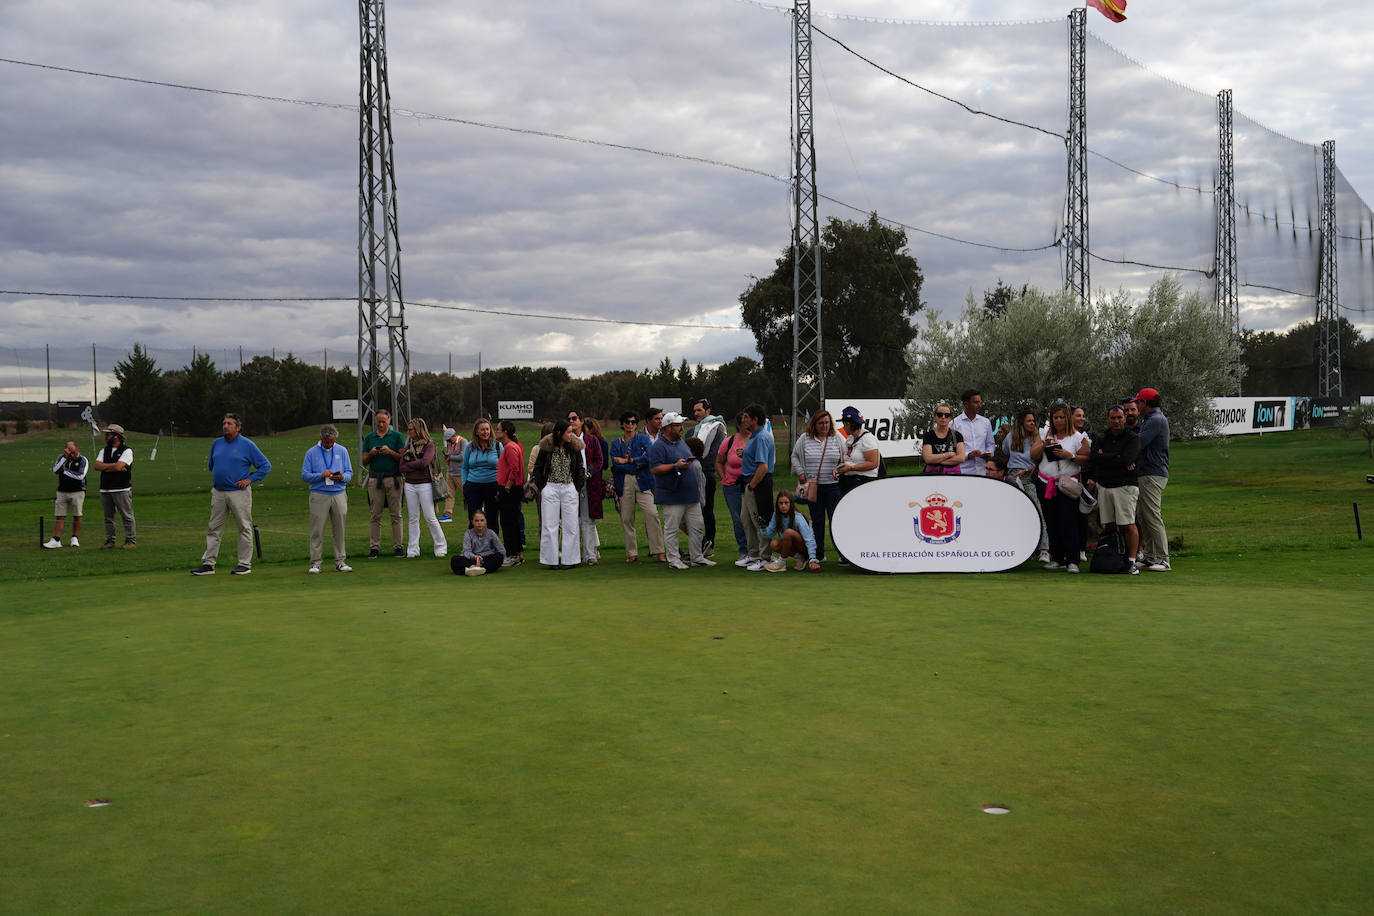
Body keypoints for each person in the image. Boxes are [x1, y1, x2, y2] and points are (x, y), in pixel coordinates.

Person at [190, 413, 271, 576]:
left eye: (229, 423)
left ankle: (244, 564)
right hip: (219, 492)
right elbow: (212, 465)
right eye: (224, 423)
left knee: (244, 526)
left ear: (238, 427)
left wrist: (250, 479)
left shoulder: (247, 445)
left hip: (239, 493)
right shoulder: (217, 443)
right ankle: (208, 564)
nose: (225, 426)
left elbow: (265, 466)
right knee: (214, 528)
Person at [647, 412, 713, 569]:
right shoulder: (659, 445)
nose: (682, 428)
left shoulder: (681, 443)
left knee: (697, 526)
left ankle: (697, 557)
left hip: (690, 494)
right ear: (668, 427)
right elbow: (655, 468)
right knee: (672, 529)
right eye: (678, 425)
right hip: (672, 495)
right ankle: (674, 560)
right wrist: (675, 466)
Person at [1032, 401, 1090, 573]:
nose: (1058, 421)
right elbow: (1033, 454)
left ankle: (1072, 560)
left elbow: (1087, 460)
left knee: (1068, 520)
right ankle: (1057, 557)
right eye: (1055, 417)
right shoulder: (1043, 434)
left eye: (1062, 417)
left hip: (1067, 485)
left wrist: (1069, 456)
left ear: (1068, 419)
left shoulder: (1079, 438)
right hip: (1045, 483)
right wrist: (1044, 445)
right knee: (1052, 522)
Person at [1085, 405, 1141, 576]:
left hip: (1125, 486)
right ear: (1108, 419)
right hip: (1105, 485)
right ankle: (1116, 558)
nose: (1116, 421)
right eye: (1113, 418)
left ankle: (1131, 561)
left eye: (1119, 418)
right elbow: (1094, 457)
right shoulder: (1102, 438)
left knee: (1127, 524)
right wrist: (1115, 457)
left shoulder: (1133, 438)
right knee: (1108, 525)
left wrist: (1107, 457)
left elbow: (1127, 459)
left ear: (1125, 418)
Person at [609, 410, 665, 563]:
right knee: (627, 518)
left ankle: (658, 551)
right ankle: (631, 553)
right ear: (622, 424)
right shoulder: (616, 443)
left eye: (633, 422)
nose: (630, 425)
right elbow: (615, 464)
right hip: (624, 482)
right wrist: (635, 464)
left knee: (652, 514)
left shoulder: (643, 439)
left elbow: (648, 458)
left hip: (643, 481)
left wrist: (629, 461)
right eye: (627, 422)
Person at [790, 409, 844, 563]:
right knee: (817, 521)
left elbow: (844, 457)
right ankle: (819, 553)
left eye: (827, 422)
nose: (824, 426)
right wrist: (800, 472)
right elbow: (794, 456)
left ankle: (842, 553)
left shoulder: (836, 438)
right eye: (821, 423)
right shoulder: (805, 439)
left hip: (833, 486)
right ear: (814, 424)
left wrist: (839, 469)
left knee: (836, 520)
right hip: (814, 488)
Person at [300, 423, 354, 573]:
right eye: (327, 442)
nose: (330, 444)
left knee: (340, 529)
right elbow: (305, 475)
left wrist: (342, 477)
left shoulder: (342, 450)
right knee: (317, 529)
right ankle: (316, 563)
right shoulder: (311, 452)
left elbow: (350, 472)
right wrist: (320, 475)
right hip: (319, 494)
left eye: (332, 441)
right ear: (321, 438)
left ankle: (340, 561)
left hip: (339, 493)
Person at [1000, 408, 1051, 563]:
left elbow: (1039, 459)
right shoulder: (1010, 437)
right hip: (1012, 476)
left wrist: (1027, 470)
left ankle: (1044, 549)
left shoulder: (1037, 438)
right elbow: (1006, 455)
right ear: (1022, 422)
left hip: (1029, 476)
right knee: (1013, 513)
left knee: (1037, 510)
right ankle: (1017, 547)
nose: (1032, 423)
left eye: (1033, 421)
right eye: (1029, 420)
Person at [532, 418, 585, 569]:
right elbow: (538, 467)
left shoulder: (574, 447)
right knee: (549, 525)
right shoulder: (546, 448)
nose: (572, 434)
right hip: (550, 488)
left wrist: (578, 485)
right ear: (560, 433)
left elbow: (580, 467)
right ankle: (551, 561)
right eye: (569, 432)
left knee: (571, 526)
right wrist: (542, 486)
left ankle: (571, 560)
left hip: (569, 488)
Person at [1134, 387, 1172, 571]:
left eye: (1138, 402)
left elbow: (1139, 443)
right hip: (1147, 471)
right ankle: (1150, 556)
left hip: (1152, 473)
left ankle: (1164, 559)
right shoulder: (1151, 419)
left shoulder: (1155, 420)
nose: (1136, 405)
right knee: (1143, 515)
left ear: (1145, 403)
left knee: (1152, 515)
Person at [399, 418, 448, 558]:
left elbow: (425, 462)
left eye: (411, 429)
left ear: (418, 430)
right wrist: (416, 464)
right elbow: (401, 466)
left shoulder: (429, 445)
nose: (409, 432)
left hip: (425, 484)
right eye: (408, 429)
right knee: (413, 518)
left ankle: (440, 547)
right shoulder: (409, 446)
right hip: (409, 484)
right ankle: (413, 549)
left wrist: (411, 465)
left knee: (430, 517)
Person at [362, 409, 406, 558]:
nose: (381, 424)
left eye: (383, 422)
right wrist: (371, 453)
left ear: (389, 421)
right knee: (375, 514)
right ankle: (374, 547)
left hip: (393, 478)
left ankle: (398, 547)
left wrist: (390, 452)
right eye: (378, 422)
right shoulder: (369, 438)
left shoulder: (397, 436)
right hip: (375, 479)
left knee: (396, 514)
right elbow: (364, 461)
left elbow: (403, 458)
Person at [737, 403, 776, 571]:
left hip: (757, 484)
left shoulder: (761, 437)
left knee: (760, 520)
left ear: (755, 419)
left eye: (746, 417)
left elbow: (763, 466)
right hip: (749, 483)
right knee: (747, 520)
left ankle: (765, 557)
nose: (743, 419)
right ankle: (753, 555)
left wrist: (752, 486)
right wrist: (744, 454)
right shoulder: (754, 436)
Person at [689, 398, 727, 554]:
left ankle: (709, 544)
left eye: (699, 410)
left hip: (707, 474)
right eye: (695, 411)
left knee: (707, 510)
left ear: (708, 410)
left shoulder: (718, 428)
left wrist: (697, 465)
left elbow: (715, 454)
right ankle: (698, 544)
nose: (696, 413)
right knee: (690, 511)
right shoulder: (691, 431)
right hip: (690, 475)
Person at [566, 410, 604, 565]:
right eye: (569, 419)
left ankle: (590, 555)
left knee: (588, 521)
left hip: (589, 484)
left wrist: (589, 473)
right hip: (569, 485)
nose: (571, 421)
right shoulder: (565, 441)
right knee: (571, 522)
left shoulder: (591, 440)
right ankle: (573, 556)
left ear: (581, 421)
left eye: (574, 418)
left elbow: (599, 460)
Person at [715, 412, 751, 566]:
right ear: (738, 424)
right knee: (738, 519)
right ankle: (744, 551)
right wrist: (724, 478)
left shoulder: (757, 440)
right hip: (732, 486)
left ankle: (756, 551)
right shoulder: (729, 442)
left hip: (752, 484)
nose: (748, 424)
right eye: (744, 422)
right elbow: (719, 462)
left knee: (753, 518)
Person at [92, 423, 136, 549]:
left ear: (116, 436)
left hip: (121, 488)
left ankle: (130, 541)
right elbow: (97, 466)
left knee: (126, 516)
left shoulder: (127, 450)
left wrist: (108, 467)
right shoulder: (103, 450)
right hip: (105, 488)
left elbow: (118, 466)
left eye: (108, 434)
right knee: (108, 517)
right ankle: (110, 540)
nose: (105, 436)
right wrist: (114, 467)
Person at [760, 490, 821, 573]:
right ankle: (801, 558)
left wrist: (813, 559)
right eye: (780, 503)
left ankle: (782, 563)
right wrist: (762, 526)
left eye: (786, 503)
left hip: (804, 547)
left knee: (788, 532)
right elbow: (769, 535)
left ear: (791, 504)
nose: (783, 506)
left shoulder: (798, 517)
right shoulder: (776, 515)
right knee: (773, 544)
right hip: (793, 546)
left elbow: (809, 539)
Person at [462, 419, 503, 536]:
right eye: (482, 429)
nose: (485, 432)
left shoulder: (497, 446)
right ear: (476, 432)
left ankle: (492, 546)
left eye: (487, 429)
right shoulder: (469, 447)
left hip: (493, 486)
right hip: (473, 486)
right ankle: (473, 545)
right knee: (473, 518)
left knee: (492, 518)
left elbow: (503, 467)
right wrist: (465, 485)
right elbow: (465, 468)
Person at [44, 441, 88, 549]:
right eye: (69, 452)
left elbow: (80, 476)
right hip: (62, 491)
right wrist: (64, 458)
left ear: (76, 449)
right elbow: (55, 470)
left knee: (77, 515)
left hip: (77, 491)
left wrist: (64, 471)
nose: (72, 455)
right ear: (65, 451)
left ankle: (74, 538)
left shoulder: (83, 460)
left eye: (73, 452)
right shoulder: (62, 458)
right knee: (60, 515)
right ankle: (56, 540)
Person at [494, 420, 526, 566]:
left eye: (498, 429)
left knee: (508, 523)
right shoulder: (509, 446)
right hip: (510, 489)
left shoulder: (509, 447)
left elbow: (515, 469)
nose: (496, 432)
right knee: (511, 522)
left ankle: (512, 554)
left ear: (505, 431)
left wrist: (507, 487)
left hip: (510, 489)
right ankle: (516, 554)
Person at [837, 405, 881, 491]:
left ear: (848, 424)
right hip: (850, 481)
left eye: (844, 424)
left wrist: (851, 468)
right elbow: (848, 461)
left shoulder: (867, 438)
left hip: (864, 483)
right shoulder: (850, 439)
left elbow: (873, 463)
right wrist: (839, 468)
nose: (843, 427)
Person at [951, 389, 995, 476]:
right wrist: (968, 455)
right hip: (963, 472)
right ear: (966, 404)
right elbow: (951, 450)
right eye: (976, 402)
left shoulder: (985, 422)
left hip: (983, 471)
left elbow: (990, 444)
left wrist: (989, 453)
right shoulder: (954, 424)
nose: (979, 405)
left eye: (980, 402)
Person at [450, 509, 506, 576]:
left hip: (487, 559)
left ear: (485, 521)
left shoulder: (491, 533)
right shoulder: (468, 533)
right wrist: (476, 557)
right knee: (455, 559)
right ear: (472, 522)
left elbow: (501, 549)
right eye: (476, 520)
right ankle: (474, 568)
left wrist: (501, 559)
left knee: (499, 557)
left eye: (482, 520)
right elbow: (466, 551)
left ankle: (479, 569)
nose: (479, 523)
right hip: (473, 559)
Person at [920, 402, 965, 475]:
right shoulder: (928, 435)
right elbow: (928, 458)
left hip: (954, 474)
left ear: (951, 418)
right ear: (935, 416)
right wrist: (948, 455)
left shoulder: (957, 435)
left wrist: (936, 460)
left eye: (947, 415)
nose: (943, 417)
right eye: (940, 414)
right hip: (933, 474)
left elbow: (961, 458)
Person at [440, 427, 466, 522]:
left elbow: (462, 456)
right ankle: (447, 515)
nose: (448, 442)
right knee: (449, 495)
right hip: (450, 473)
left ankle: (479, 509)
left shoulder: (463, 442)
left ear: (453, 436)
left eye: (449, 440)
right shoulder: (449, 443)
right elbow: (450, 455)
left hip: (460, 473)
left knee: (467, 494)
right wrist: (447, 457)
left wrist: (450, 457)